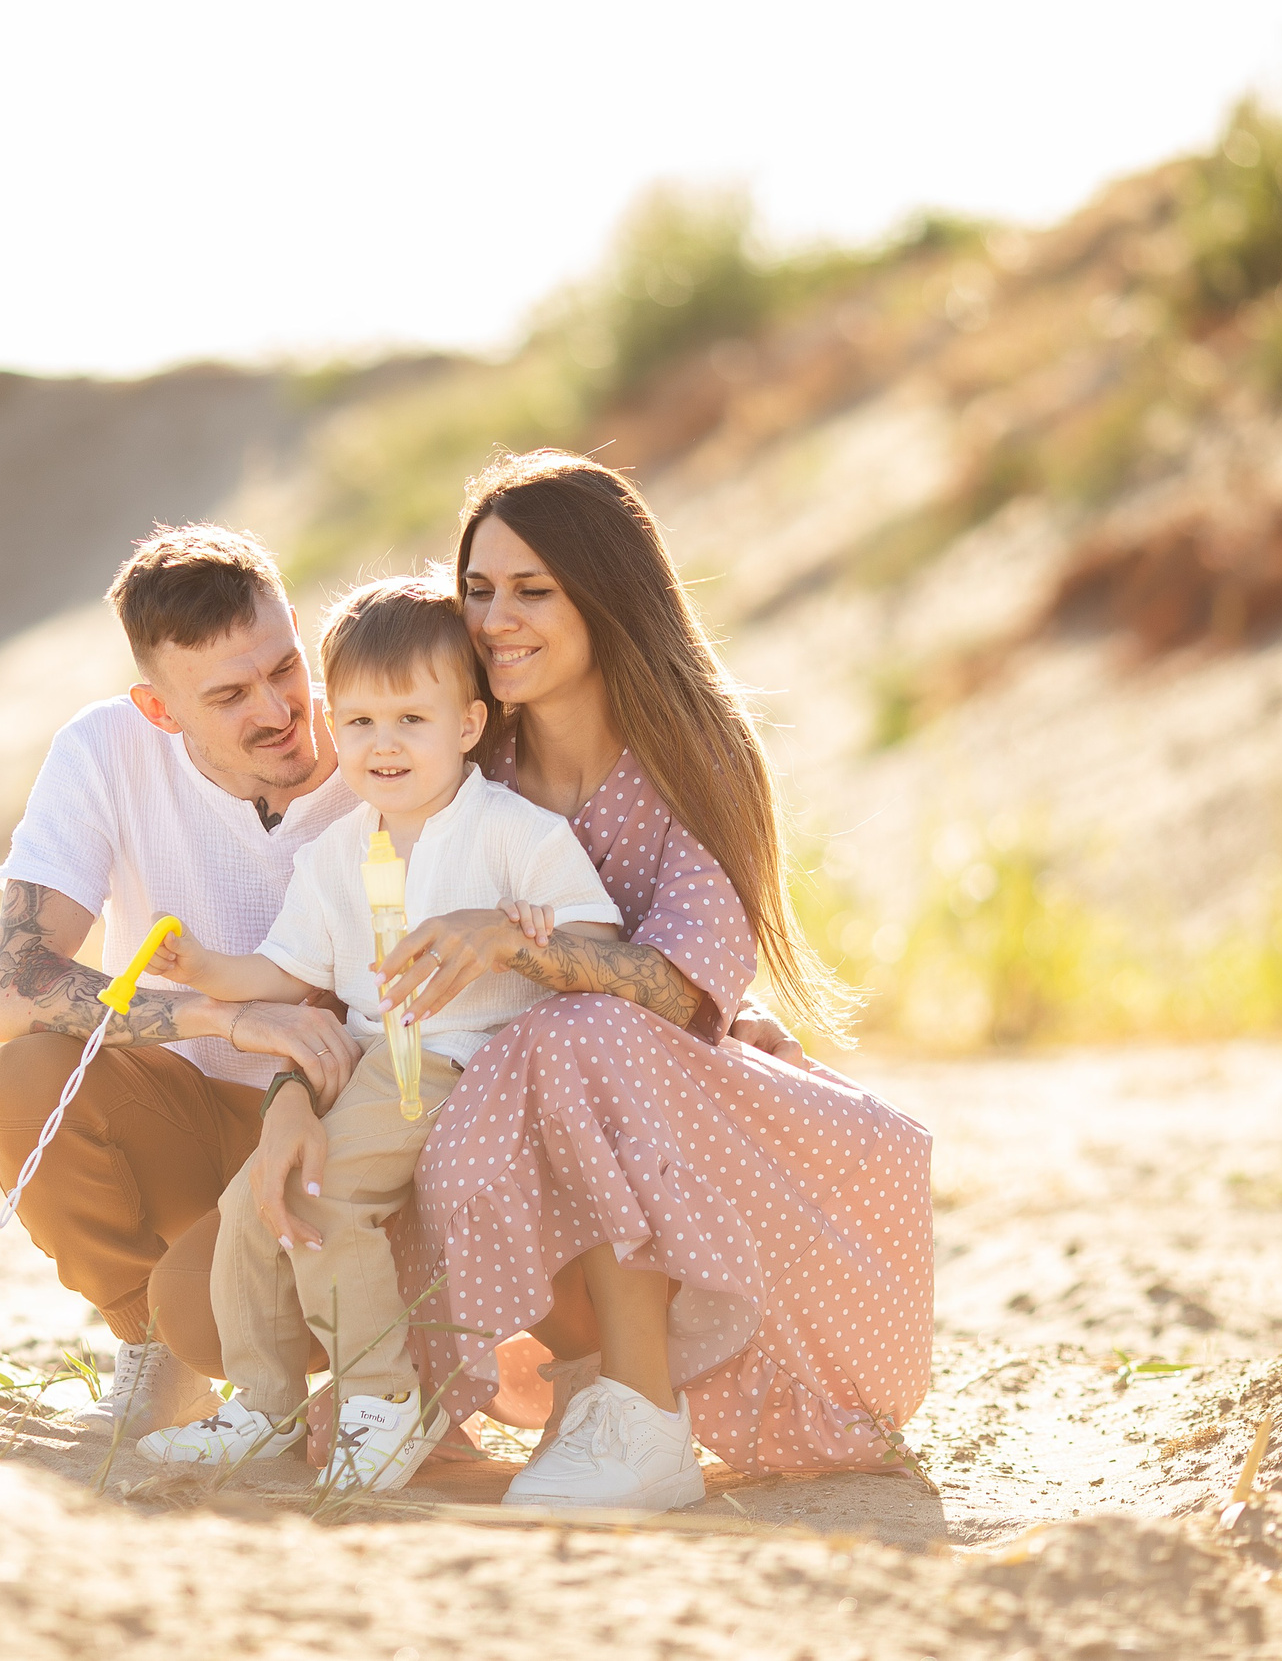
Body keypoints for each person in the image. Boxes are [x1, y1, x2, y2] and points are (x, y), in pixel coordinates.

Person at [385, 450, 936, 1510]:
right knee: (473, 1092)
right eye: (479, 589)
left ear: (603, 595)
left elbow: (686, 991)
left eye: (532, 591)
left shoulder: (691, 754)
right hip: (514, 1124)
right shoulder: (467, 767)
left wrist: (508, 938)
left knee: (583, 1036)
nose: (495, 618)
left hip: (674, 1116)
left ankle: (644, 1419)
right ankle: (599, 1397)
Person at [131, 577, 622, 1493]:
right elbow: (286, 972)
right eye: (356, 722)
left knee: (320, 1197)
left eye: (410, 719)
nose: (381, 744)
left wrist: (520, 931)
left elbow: (600, 946)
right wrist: (201, 967)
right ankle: (264, 1399)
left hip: (459, 1063)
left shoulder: (515, 832)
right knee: (257, 1198)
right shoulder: (337, 852)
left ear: (469, 724)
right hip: (366, 1062)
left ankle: (381, 1403)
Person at [0, 523, 366, 1436]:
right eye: (228, 694)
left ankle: (375, 1356)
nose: (278, 710)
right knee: (26, 1077)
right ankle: (152, 1350)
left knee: (210, 1309)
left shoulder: (385, 724)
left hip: (346, 1124)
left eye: (284, 666)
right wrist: (227, 1019)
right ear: (160, 709)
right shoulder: (106, 749)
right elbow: (13, 986)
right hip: (193, 1113)